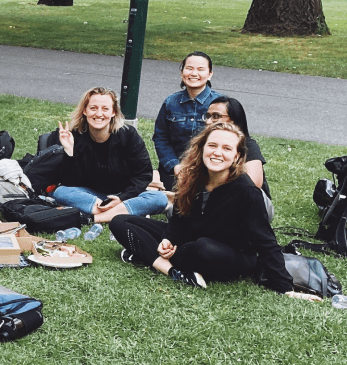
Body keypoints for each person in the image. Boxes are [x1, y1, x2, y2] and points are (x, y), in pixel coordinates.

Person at [109, 124, 320, 302]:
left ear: (236, 156)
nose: (217, 153)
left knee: (202, 248)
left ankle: (145, 254)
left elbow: (266, 242)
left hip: (227, 254)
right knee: (120, 222)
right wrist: (168, 239)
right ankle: (174, 271)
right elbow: (179, 218)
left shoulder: (246, 191)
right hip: (188, 242)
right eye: (212, 145)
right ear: (202, 149)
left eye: (226, 148)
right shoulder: (193, 177)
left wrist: (286, 288)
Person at [44, 88, 167, 224]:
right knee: (60, 192)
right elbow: (71, 183)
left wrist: (121, 198)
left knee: (159, 199)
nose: (99, 114)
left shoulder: (128, 135)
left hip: (126, 195)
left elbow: (144, 174)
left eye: (105, 109)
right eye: (93, 108)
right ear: (84, 111)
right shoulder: (76, 136)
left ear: (113, 112)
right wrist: (69, 151)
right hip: (94, 196)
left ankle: (94, 218)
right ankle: (124, 212)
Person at [152, 51, 221, 189]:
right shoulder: (170, 102)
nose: (194, 73)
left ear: (210, 74)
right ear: (181, 72)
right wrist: (175, 166)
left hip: (209, 169)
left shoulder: (220, 103)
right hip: (174, 168)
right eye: (189, 68)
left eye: (201, 69)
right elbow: (161, 138)